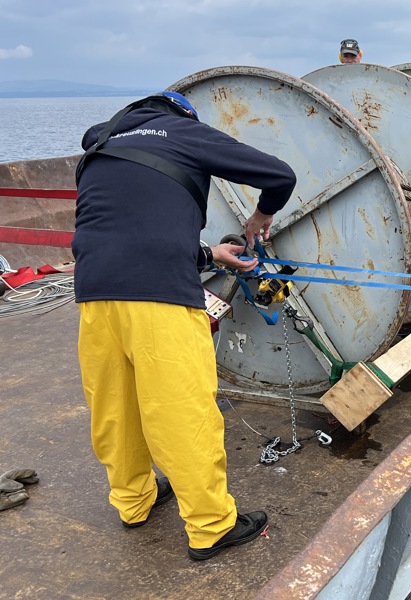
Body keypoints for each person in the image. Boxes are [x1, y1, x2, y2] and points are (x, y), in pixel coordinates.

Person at [73, 91, 297, 561]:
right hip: (160, 297)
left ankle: (133, 502)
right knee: (181, 409)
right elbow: (280, 175)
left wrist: (210, 255)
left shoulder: (102, 145)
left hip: (94, 293)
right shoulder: (183, 131)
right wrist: (261, 214)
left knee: (116, 405)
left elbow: (132, 226)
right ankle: (212, 526)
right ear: (182, 115)